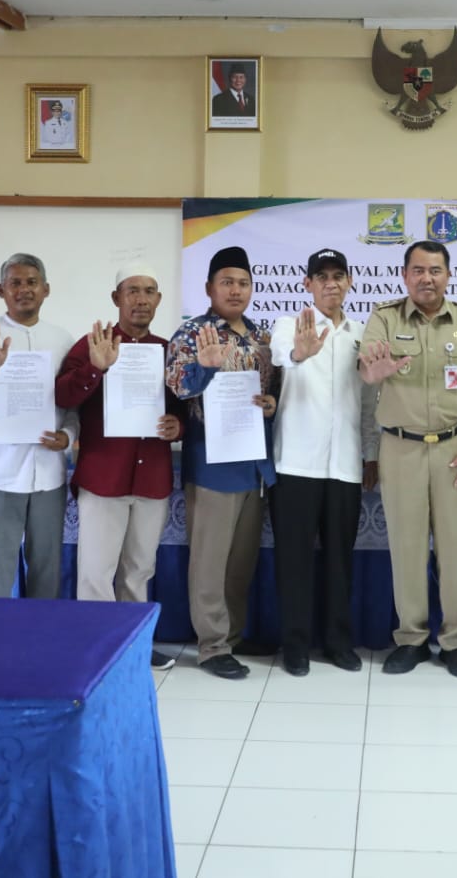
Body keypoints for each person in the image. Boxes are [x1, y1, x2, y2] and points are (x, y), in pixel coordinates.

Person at [361, 240, 457, 679]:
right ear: (405, 276)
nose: (426, 278)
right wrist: (375, 371)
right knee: (407, 547)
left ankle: (456, 641)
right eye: (417, 270)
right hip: (401, 448)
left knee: (456, 549)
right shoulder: (385, 318)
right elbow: (367, 368)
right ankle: (411, 639)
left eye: (435, 270)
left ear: (448, 275)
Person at [57, 264, 185, 668]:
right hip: (104, 477)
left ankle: (134, 647)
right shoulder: (91, 344)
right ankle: (95, 650)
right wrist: (96, 367)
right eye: (132, 291)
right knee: (96, 572)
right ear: (117, 298)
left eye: (149, 291)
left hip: (151, 478)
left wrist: (178, 425)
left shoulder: (167, 349)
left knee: (139, 570)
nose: (141, 299)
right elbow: (62, 396)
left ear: (159, 299)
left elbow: (183, 406)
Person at [165, 245, 277, 679]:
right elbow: (180, 387)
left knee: (240, 562)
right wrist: (205, 367)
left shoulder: (260, 336)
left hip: (252, 466)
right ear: (209, 287)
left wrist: (271, 405)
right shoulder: (193, 334)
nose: (235, 290)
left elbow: (272, 393)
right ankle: (212, 646)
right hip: (213, 467)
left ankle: (232, 635)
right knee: (210, 563)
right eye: (227, 282)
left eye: (243, 283)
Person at [269, 249, 377, 676]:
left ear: (349, 282)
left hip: (345, 465)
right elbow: (284, 356)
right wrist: (300, 353)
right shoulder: (288, 325)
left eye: (338, 276)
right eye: (321, 277)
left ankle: (337, 642)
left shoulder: (360, 334)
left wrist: (371, 454)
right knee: (293, 560)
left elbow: (368, 402)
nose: (331, 283)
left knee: (339, 559)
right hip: (296, 464)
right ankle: (295, 645)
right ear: (307, 284)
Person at [0, 254, 76, 599]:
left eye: (32, 282)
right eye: (15, 283)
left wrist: (68, 436)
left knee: (47, 569)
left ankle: (41, 629)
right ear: (0, 290)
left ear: (46, 289)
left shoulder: (62, 340)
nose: (24, 290)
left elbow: (71, 404)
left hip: (48, 473)